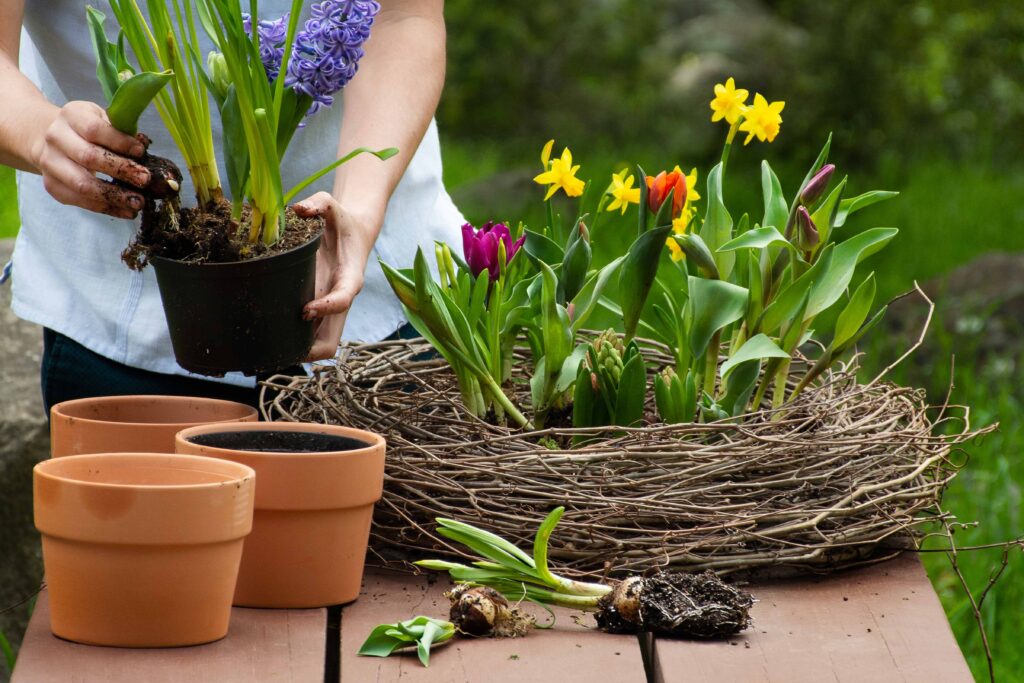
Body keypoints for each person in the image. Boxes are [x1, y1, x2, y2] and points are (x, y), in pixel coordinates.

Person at [0, 0, 460, 411]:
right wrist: (42, 137)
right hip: (116, 313)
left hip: (384, 296)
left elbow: (403, 16)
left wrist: (360, 210)